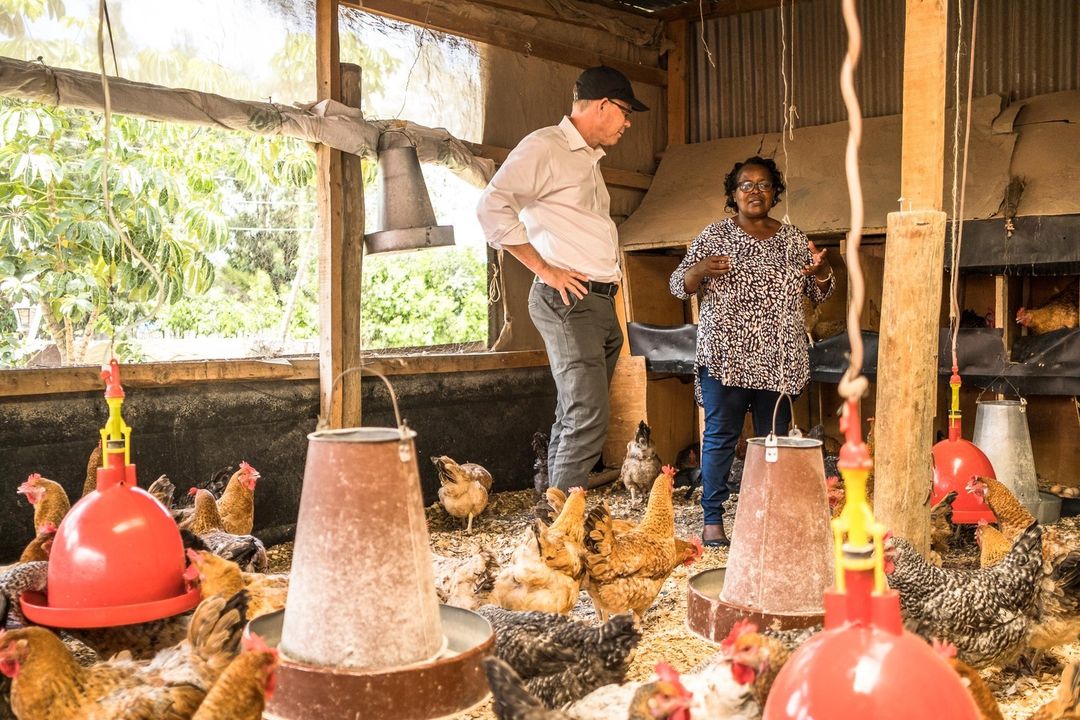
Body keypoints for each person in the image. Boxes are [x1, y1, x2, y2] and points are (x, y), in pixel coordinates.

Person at [476, 66, 648, 492]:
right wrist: (546, 270)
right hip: (569, 300)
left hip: (598, 302)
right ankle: (558, 530)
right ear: (603, 104)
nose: (628, 122)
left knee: (577, 412)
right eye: (625, 112)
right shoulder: (545, 147)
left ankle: (550, 513)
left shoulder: (586, 158)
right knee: (587, 414)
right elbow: (491, 209)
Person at [668, 156, 834, 546]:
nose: (755, 191)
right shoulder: (713, 236)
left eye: (763, 184)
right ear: (733, 194)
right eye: (746, 185)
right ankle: (712, 520)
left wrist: (821, 271)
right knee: (720, 437)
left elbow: (820, 292)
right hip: (725, 356)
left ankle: (769, 519)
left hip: (779, 357)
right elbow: (679, 284)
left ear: (775, 192)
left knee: (773, 443)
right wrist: (702, 268)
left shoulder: (794, 239)